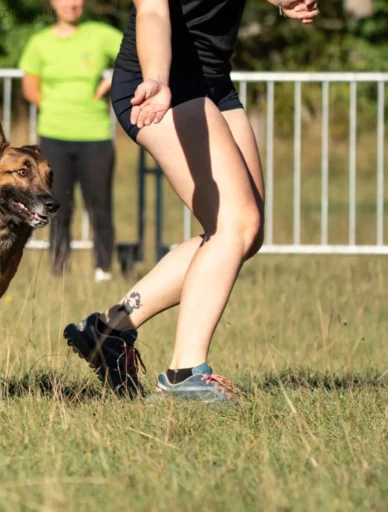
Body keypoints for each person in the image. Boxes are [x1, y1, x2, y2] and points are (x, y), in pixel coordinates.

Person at [63, 0, 319, 402]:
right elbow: (152, 13)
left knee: (245, 235)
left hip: (213, 83)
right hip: (157, 85)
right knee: (235, 224)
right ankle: (184, 373)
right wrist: (158, 79)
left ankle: (108, 331)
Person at [18, 0, 123, 283]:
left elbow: (138, 53)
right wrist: (56, 109)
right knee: (57, 204)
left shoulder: (101, 34)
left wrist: (113, 79)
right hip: (54, 136)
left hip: (96, 135)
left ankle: (104, 269)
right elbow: (30, 87)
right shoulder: (39, 42)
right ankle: (59, 268)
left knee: (100, 204)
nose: (72, 3)